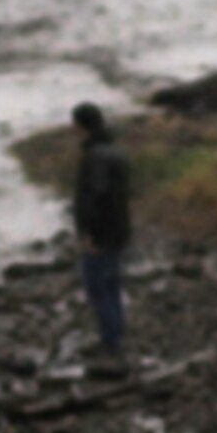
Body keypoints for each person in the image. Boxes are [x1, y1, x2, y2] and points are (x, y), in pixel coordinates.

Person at [69, 101, 133, 363]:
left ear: (81, 125)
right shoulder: (116, 150)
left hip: (102, 233)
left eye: (74, 123)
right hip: (119, 229)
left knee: (98, 287)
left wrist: (90, 234)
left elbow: (96, 197)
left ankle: (111, 343)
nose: (71, 128)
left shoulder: (95, 156)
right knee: (112, 285)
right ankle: (114, 336)